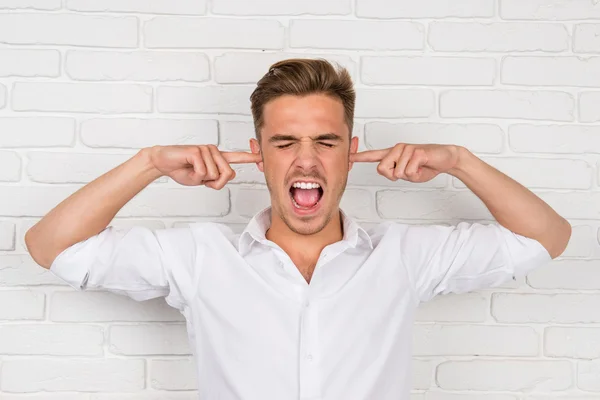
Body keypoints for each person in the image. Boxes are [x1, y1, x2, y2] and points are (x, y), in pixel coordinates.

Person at [25, 59, 571, 400]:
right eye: (285, 143)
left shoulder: (404, 254)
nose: (306, 161)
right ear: (257, 155)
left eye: (325, 142)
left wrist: (458, 160)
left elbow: (545, 237)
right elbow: (52, 247)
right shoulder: (200, 256)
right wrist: (148, 162)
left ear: (351, 154)